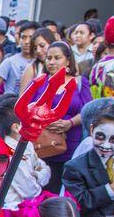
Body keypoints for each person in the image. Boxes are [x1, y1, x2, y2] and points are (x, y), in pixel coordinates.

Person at [30, 41, 93, 193]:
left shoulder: (79, 83)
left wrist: (69, 123)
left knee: (60, 188)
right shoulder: (39, 82)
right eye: (49, 58)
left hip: (70, 144)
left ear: (68, 60)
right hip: (42, 144)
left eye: (57, 58)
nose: (52, 62)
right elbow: (27, 107)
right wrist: (44, 120)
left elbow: (87, 111)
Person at [0, 21, 37, 96]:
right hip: (10, 105)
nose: (27, 41)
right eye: (23, 37)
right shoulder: (10, 61)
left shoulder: (42, 63)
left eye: (31, 37)